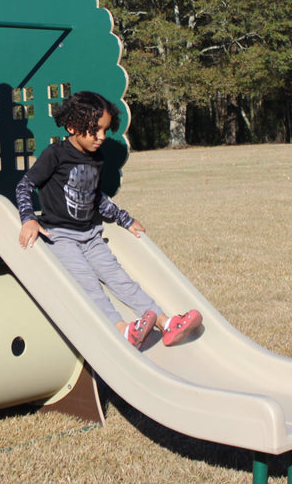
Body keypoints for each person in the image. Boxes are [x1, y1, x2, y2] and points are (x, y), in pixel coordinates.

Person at [15, 90, 202, 349]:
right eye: (94, 131)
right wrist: (28, 219)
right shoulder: (55, 155)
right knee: (88, 284)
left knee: (120, 278)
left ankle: (166, 323)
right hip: (60, 237)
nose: (101, 137)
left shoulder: (96, 158)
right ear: (72, 126)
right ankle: (122, 331)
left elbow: (95, 197)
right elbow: (24, 186)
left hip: (91, 235)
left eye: (104, 130)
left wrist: (125, 219)